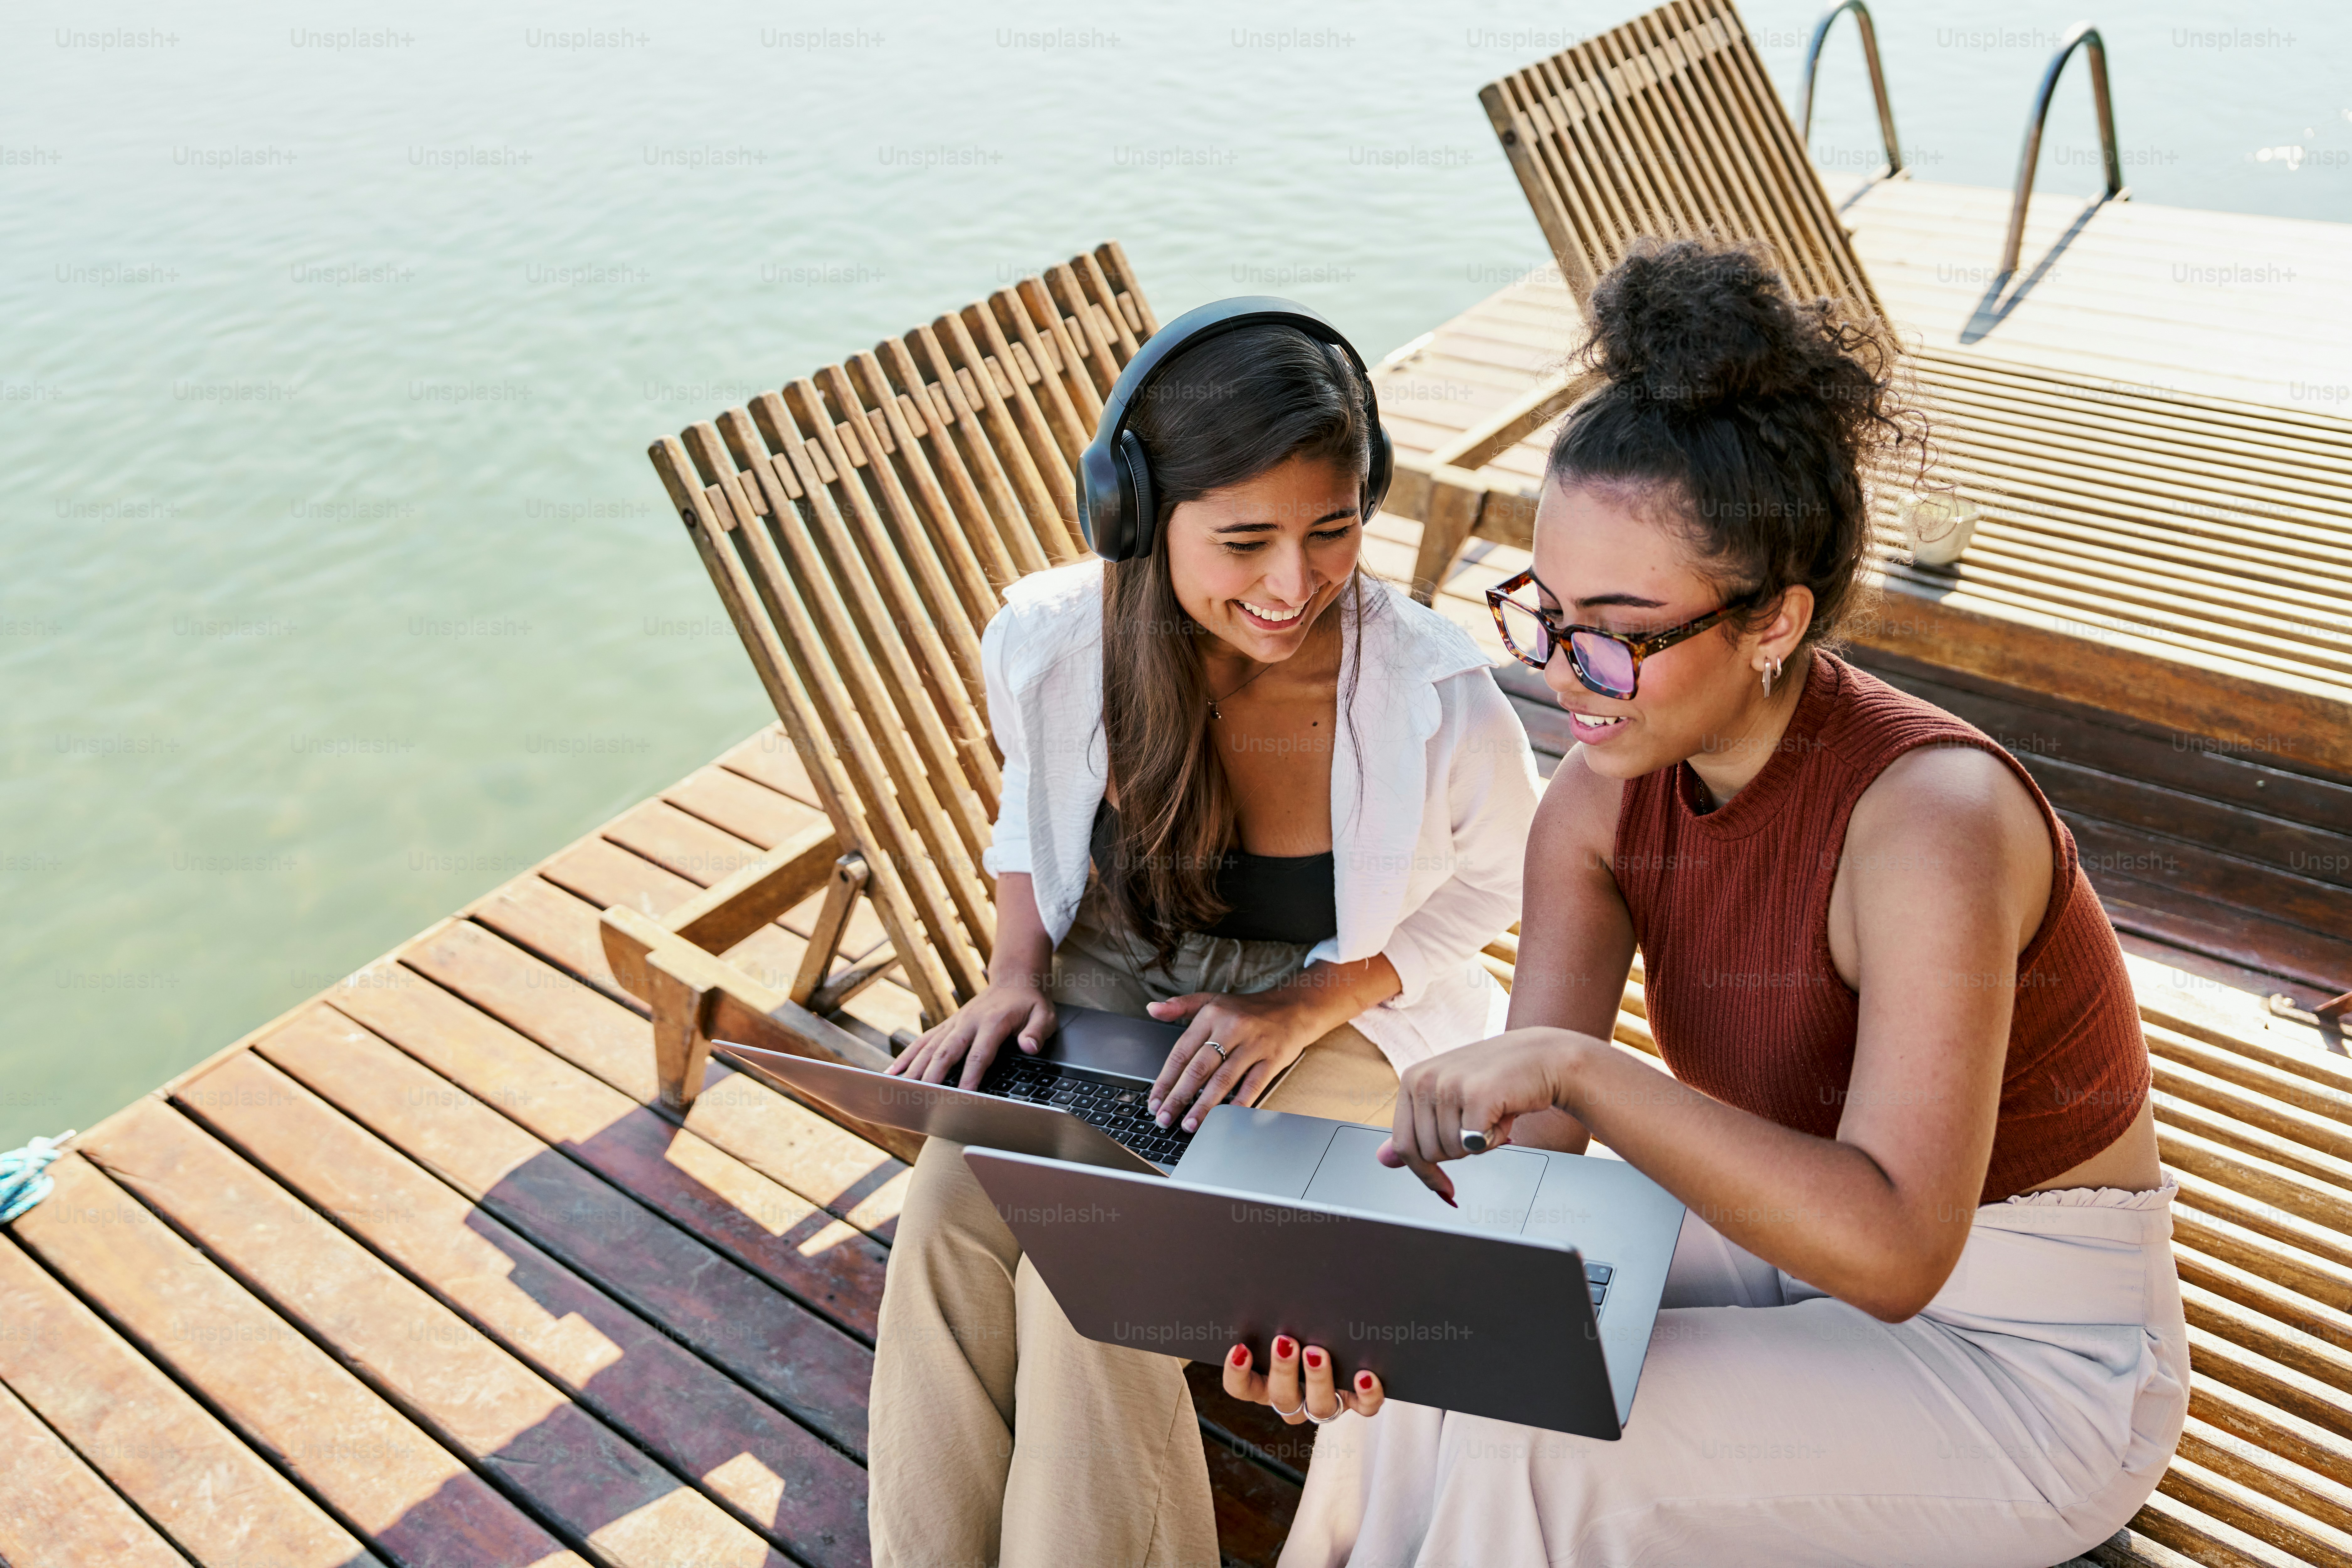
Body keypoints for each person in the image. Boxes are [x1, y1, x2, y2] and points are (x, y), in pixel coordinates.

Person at [1223, 238, 2184, 1568]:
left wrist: (1583, 1069)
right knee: (1439, 1368)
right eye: (1543, 615)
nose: (1569, 674)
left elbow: (1901, 1247)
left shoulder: (1931, 822)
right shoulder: (1602, 803)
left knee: (1536, 1440)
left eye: (1619, 630)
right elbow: (1528, 1187)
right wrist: (1357, 1317)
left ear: (1777, 620)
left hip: (2023, 1346)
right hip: (1782, 1242)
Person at [867, 309, 1542, 1568]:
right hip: (1118, 998)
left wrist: (1307, 1004)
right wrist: (1012, 976)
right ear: (1136, 516)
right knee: (956, 1199)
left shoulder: (1433, 696)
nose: (1294, 582)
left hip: (1333, 1028)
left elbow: (1504, 885)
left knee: (1099, 1251)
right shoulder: (1053, 645)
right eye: (1245, 541)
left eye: (1332, 530)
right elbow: (1028, 812)